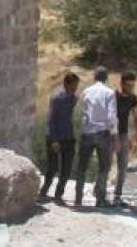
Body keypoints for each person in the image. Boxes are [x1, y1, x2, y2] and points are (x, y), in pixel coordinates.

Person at [74, 66, 120, 208]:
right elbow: (112, 116)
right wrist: (115, 135)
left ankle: (78, 199)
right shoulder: (109, 93)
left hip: (87, 132)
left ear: (95, 77)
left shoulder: (86, 91)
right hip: (102, 133)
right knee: (103, 167)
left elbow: (79, 111)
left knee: (82, 166)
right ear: (106, 78)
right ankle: (100, 200)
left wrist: (82, 127)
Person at [39, 72, 79, 203]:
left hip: (68, 137)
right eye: (73, 85)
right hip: (54, 137)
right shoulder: (57, 98)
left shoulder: (73, 99)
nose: (75, 88)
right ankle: (44, 191)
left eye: (76, 85)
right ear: (66, 85)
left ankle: (58, 194)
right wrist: (54, 140)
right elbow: (51, 120)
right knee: (52, 168)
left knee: (66, 169)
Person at [113, 71, 137, 206]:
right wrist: (116, 136)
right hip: (111, 134)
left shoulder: (132, 98)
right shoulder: (114, 96)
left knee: (123, 166)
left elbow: (136, 116)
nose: (131, 88)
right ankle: (100, 194)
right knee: (105, 164)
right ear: (122, 84)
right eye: (129, 85)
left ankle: (117, 196)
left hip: (124, 134)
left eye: (133, 85)